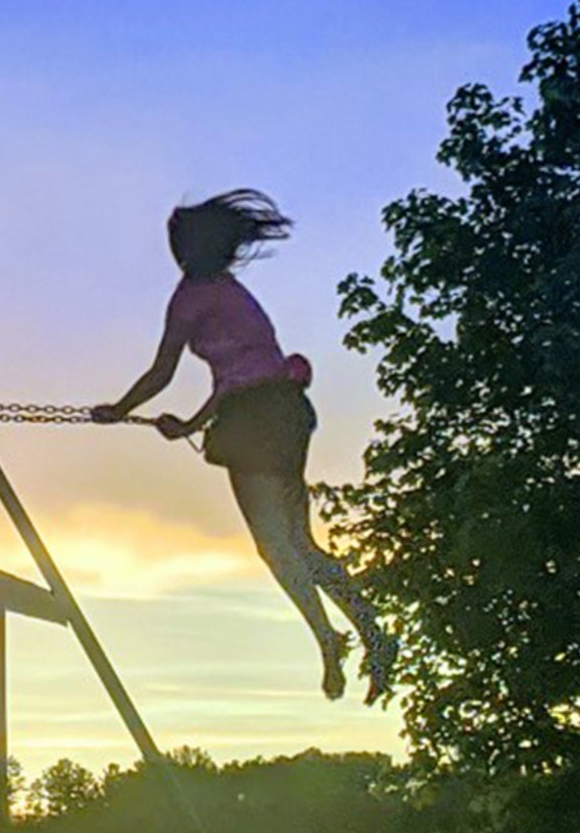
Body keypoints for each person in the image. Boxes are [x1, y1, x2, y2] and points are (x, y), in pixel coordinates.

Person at [91, 189, 395, 702]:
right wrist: (189, 425)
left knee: (275, 547)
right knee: (298, 544)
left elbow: (165, 372)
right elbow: (239, 376)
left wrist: (118, 410)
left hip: (253, 422)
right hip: (282, 414)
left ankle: (331, 637)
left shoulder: (191, 296)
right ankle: (369, 631)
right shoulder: (232, 294)